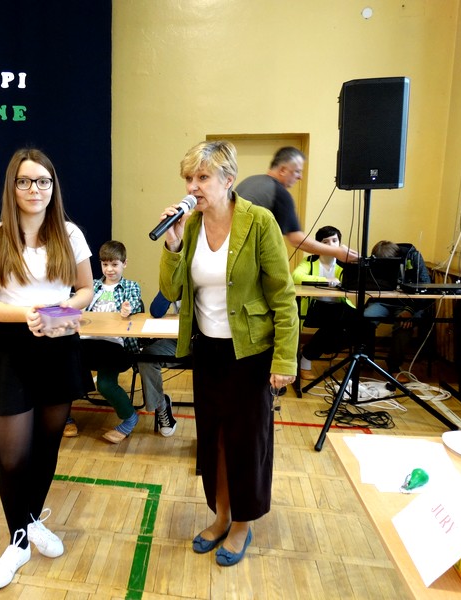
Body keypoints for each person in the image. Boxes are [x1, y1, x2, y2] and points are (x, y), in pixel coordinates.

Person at [159, 140, 298, 567]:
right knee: (214, 440)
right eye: (189, 178)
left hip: (250, 352)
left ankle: (242, 523)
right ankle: (221, 515)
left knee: (246, 442)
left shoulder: (258, 222)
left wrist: (285, 359)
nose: (192, 187)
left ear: (228, 180)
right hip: (208, 351)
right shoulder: (191, 226)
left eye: (202, 177)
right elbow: (171, 290)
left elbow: (283, 295)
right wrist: (172, 245)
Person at [0, 148, 93, 590]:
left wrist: (59, 312)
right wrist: (29, 315)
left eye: (42, 181)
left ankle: (32, 520)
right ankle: (17, 542)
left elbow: (85, 290)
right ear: (12, 187)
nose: (34, 189)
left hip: (59, 343)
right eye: (25, 181)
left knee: (47, 446)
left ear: (52, 187)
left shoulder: (70, 233)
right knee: (14, 456)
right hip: (13, 348)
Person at [235, 147, 358, 263]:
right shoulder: (279, 193)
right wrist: (337, 252)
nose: (300, 177)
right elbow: (297, 240)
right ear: (283, 170)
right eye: (297, 171)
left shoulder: (249, 181)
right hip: (244, 258)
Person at [79, 240, 144, 443]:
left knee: (106, 385)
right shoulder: (91, 286)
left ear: (124, 263)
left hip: (114, 345)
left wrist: (128, 309)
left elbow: (134, 303)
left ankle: (129, 417)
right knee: (62, 370)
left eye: (114, 264)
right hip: (86, 342)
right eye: (105, 264)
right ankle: (64, 417)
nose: (109, 269)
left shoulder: (131, 286)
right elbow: (79, 306)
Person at [291, 225, 356, 380]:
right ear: (318, 245)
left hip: (340, 305)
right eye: (325, 242)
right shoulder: (310, 261)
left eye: (334, 241)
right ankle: (307, 359)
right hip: (316, 307)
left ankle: (321, 351)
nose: (331, 245)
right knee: (334, 323)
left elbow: (355, 282)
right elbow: (296, 276)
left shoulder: (344, 264)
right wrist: (326, 280)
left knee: (365, 323)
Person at [363, 240, 432, 382]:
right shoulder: (376, 260)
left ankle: (394, 366)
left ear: (397, 257)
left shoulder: (413, 257)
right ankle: (365, 360)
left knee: (404, 325)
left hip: (408, 304)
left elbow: (425, 287)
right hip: (383, 301)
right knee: (366, 318)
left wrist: (410, 310)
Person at [136, 291, 179, 436]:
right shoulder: (177, 281)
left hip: (211, 339)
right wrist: (170, 285)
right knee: (147, 358)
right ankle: (161, 405)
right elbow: (156, 311)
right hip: (179, 340)